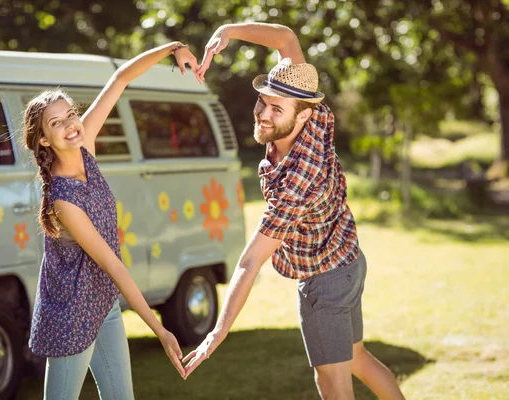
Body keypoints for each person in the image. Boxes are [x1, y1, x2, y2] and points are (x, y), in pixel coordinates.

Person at [183, 23, 406, 400]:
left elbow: (249, 262)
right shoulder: (312, 111)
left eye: (275, 109)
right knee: (357, 359)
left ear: (302, 116)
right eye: (262, 102)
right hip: (348, 260)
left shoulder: (299, 181)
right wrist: (228, 30)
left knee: (333, 385)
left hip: (326, 280)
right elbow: (285, 38)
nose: (262, 115)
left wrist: (217, 332)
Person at [23, 41, 198, 399]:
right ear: (44, 138)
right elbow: (113, 265)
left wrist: (174, 48)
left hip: (103, 304)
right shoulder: (63, 199)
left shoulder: (84, 145)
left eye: (70, 114)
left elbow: (120, 78)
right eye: (57, 123)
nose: (71, 124)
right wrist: (159, 330)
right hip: (72, 312)